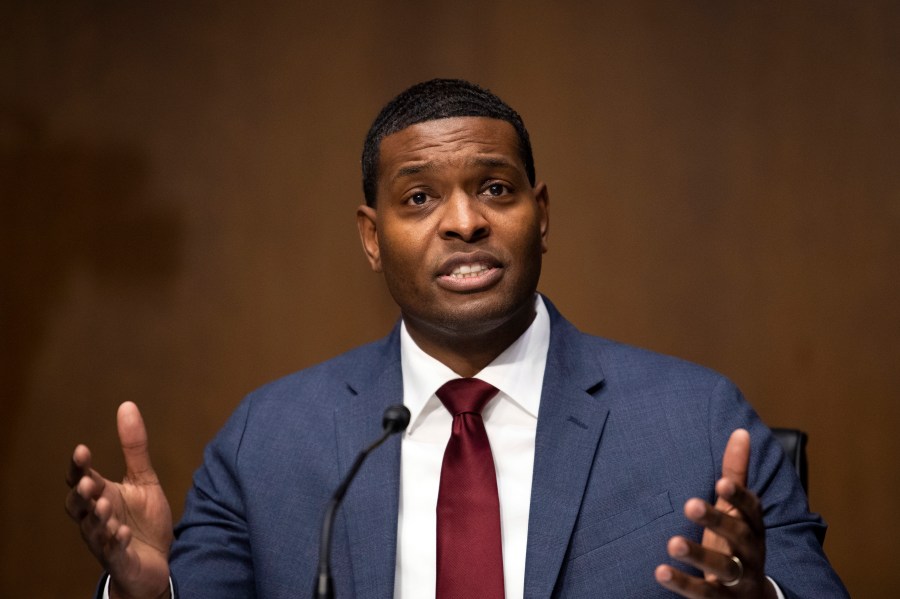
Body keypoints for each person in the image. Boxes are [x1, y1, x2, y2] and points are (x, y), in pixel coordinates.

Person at [66, 79, 848, 598]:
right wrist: (149, 593)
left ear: (542, 213)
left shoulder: (700, 420)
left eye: (496, 189)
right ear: (372, 237)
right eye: (419, 197)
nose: (466, 221)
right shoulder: (268, 439)